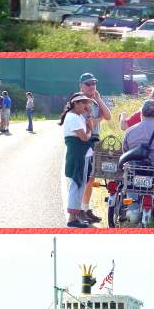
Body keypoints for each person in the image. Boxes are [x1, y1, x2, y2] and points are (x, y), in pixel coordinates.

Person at [77, 72, 112, 225]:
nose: (91, 86)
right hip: (83, 143)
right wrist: (99, 119)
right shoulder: (78, 101)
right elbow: (86, 124)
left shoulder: (95, 101)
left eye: (93, 84)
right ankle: (78, 211)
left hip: (95, 143)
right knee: (82, 178)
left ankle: (86, 208)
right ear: (81, 86)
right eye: (88, 84)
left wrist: (98, 99)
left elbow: (109, 116)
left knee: (91, 178)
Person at [60, 92, 95, 229]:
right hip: (77, 154)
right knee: (76, 184)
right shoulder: (73, 117)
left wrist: (89, 117)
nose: (86, 105)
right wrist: (88, 130)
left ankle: (75, 216)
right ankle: (72, 218)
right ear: (75, 104)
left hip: (82, 154)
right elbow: (85, 137)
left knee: (80, 185)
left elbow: (89, 130)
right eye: (83, 102)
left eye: (86, 102)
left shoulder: (79, 116)